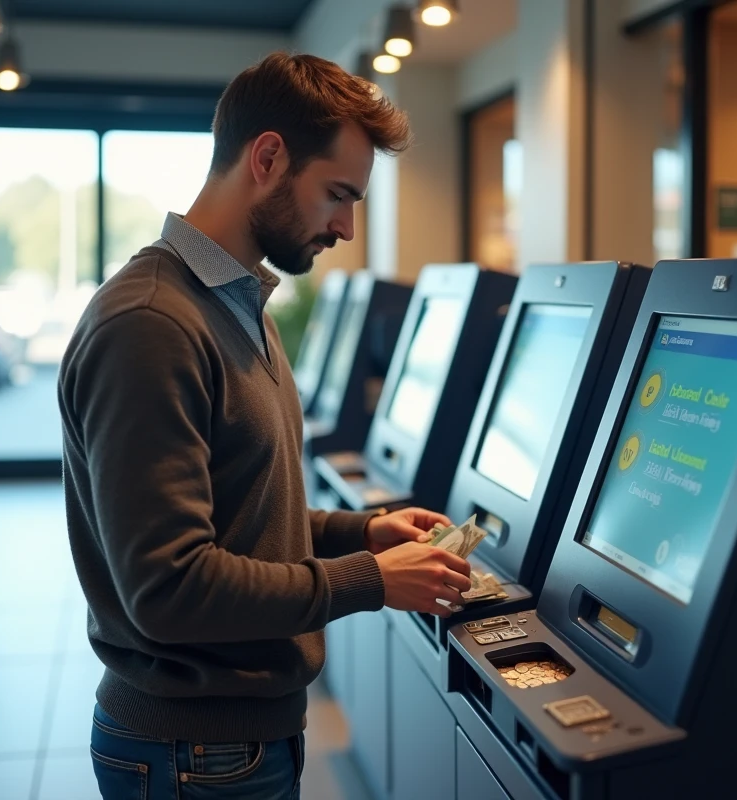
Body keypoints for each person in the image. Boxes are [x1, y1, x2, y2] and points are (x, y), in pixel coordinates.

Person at [59, 52, 473, 800]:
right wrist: (370, 582)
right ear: (269, 157)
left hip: (233, 740)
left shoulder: (236, 304)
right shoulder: (152, 324)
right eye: (337, 195)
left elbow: (241, 511)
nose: (346, 227)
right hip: (191, 750)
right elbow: (170, 586)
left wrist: (362, 533)